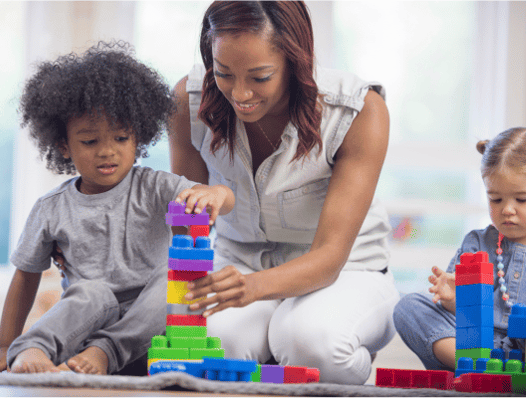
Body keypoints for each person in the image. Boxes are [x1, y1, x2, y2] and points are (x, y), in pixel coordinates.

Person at [168, 1, 399, 384]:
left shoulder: (358, 112)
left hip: (346, 271)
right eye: (224, 73)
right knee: (210, 345)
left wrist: (254, 287)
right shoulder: (189, 102)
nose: (240, 93)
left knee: (310, 341)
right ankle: (277, 363)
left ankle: (307, 356)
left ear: (296, 61)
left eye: (260, 77)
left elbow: (329, 257)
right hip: (240, 264)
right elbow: (185, 229)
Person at [0, 41, 234, 375]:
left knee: (176, 280)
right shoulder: (51, 208)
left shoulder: (157, 186)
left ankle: (106, 353)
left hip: (153, 332)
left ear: (138, 137)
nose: (107, 151)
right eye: (90, 141)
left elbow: (225, 202)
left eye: (120, 138)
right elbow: (25, 279)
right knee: (93, 293)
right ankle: (32, 350)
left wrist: (218, 192)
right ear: (64, 146)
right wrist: (4, 348)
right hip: (85, 333)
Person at [394, 127, 526, 371]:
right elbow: (459, 313)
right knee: (409, 307)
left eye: (522, 199)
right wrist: (453, 300)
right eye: (495, 199)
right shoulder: (476, 244)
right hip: (472, 344)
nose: (507, 209)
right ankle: (472, 366)